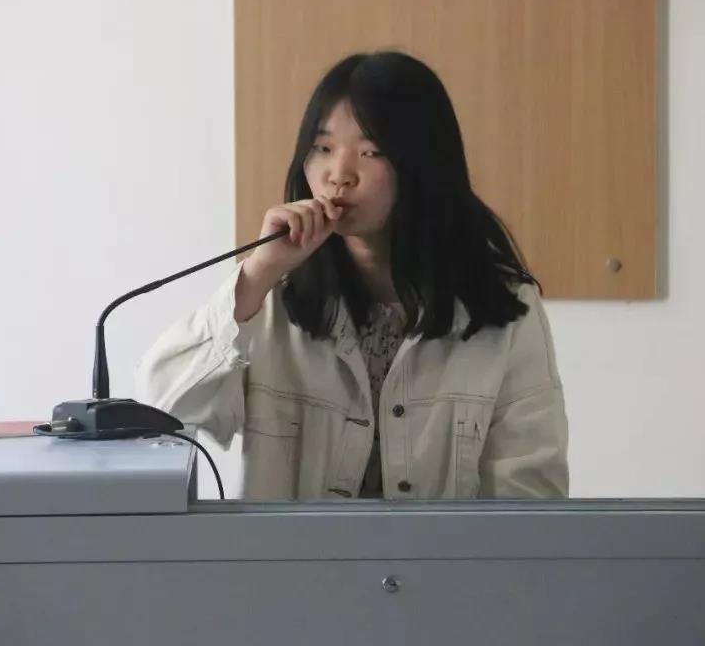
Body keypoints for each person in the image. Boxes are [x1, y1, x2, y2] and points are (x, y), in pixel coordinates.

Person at [136, 51, 568, 500]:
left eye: (370, 152)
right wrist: (257, 274)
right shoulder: (270, 299)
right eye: (323, 148)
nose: (338, 175)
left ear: (424, 162)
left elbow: (531, 499)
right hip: (295, 551)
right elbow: (160, 408)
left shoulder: (506, 309)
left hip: (442, 552)